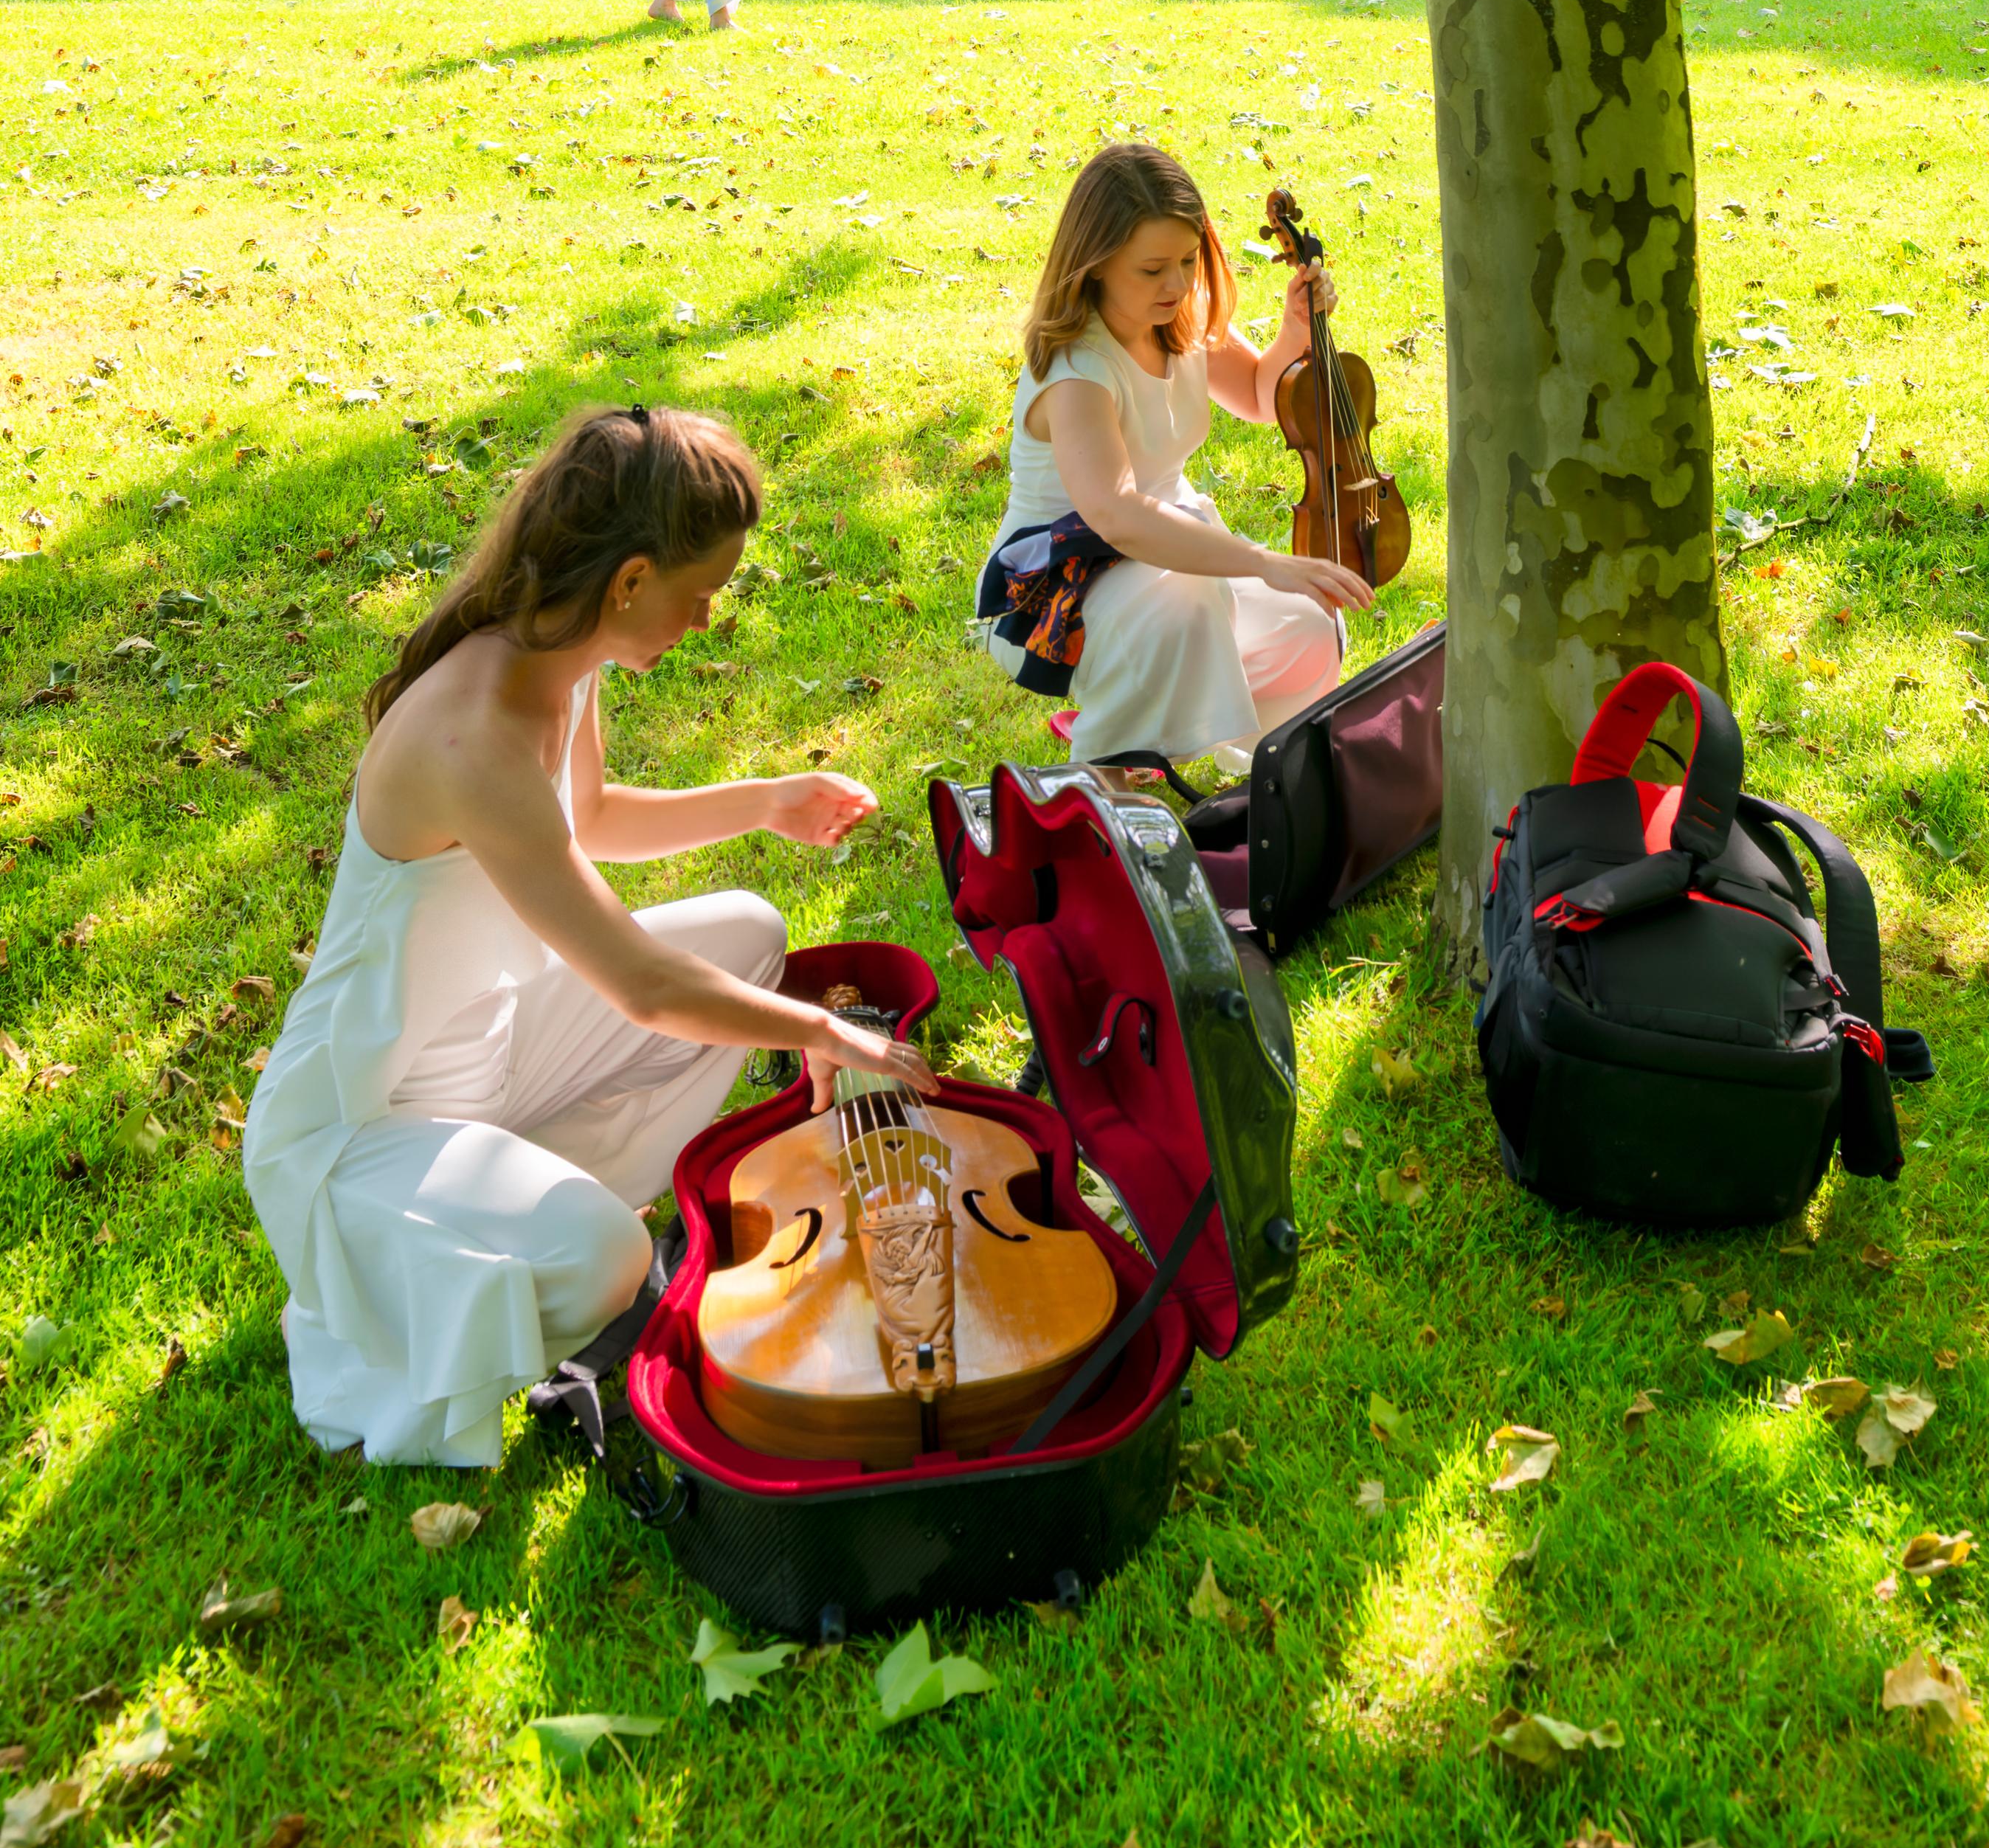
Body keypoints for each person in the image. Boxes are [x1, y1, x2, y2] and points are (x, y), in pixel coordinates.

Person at [243, 403, 933, 1468]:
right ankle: (473, 1244)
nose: (706, 617)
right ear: (629, 579)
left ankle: (528, 1198)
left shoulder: (565, 654)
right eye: (700, 592)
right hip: (355, 1130)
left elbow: (593, 814)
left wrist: (765, 799)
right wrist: (828, 1032)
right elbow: (643, 986)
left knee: (748, 928)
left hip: (492, 1051)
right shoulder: (470, 733)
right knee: (610, 1256)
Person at [972, 142, 1371, 776]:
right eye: (1152, 268)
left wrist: (1296, 327)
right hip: (1060, 578)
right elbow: (1117, 515)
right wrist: (1265, 563)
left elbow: (1260, 395)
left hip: (1171, 555)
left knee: (1308, 626)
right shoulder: (1078, 367)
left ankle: (1263, 781)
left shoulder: (1180, 316)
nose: (1179, 283)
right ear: (1096, 264)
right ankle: (1101, 774)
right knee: (1190, 604)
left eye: (1188, 260)